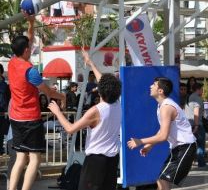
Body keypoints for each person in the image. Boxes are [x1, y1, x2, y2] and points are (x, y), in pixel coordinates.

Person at [7, 14, 66, 190]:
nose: (31, 48)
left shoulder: (12, 62)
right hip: (30, 119)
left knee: (20, 157)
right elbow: (47, 92)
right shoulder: (30, 71)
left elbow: (29, 39)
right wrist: (62, 97)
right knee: (34, 158)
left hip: (15, 117)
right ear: (26, 50)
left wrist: (31, 22)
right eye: (29, 47)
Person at [48, 50, 122, 190]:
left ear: (100, 91)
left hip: (96, 161)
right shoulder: (117, 103)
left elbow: (70, 129)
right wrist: (90, 62)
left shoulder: (95, 111)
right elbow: (104, 82)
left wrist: (58, 112)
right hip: (112, 159)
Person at [127, 77, 196, 190]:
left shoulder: (167, 107)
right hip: (178, 148)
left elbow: (163, 136)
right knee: (162, 180)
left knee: (162, 179)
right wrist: (150, 145)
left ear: (160, 91)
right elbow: (162, 129)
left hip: (186, 147)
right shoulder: (162, 106)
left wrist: (140, 141)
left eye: (153, 85)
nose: (150, 86)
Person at [188, 83, 206, 167]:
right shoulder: (197, 99)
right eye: (202, 89)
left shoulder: (189, 97)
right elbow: (196, 112)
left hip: (189, 124)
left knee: (190, 145)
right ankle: (201, 163)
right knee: (200, 145)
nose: (203, 91)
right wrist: (196, 125)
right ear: (198, 89)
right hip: (197, 125)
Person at [0, 63, 9, 154]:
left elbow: (7, 98)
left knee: (2, 133)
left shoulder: (5, 86)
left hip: (3, 113)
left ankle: (1, 150)